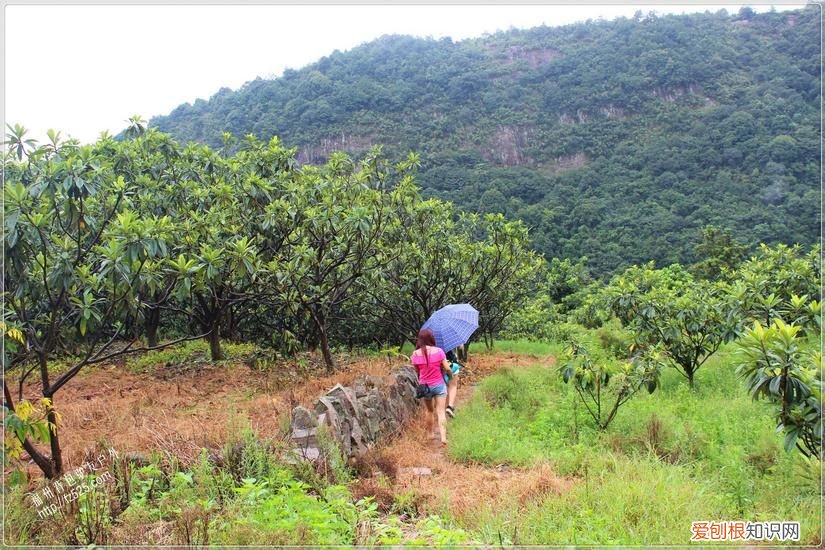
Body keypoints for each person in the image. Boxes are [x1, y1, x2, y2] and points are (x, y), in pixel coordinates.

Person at [410, 329, 450, 445]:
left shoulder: (415, 354)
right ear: (431, 338)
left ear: (420, 339)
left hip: (425, 386)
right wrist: (450, 375)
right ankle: (443, 437)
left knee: (429, 410)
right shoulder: (439, 351)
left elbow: (417, 371)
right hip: (439, 385)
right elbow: (447, 368)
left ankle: (430, 434)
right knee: (441, 411)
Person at [443, 348, 462, 418]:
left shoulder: (431, 345)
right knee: (452, 386)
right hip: (451, 364)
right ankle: (450, 406)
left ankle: (444, 407)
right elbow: (461, 347)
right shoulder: (448, 341)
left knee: (444, 387)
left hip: (437, 368)